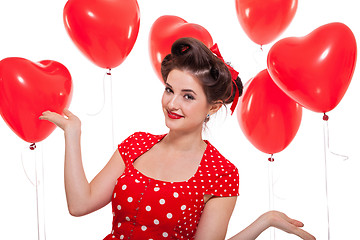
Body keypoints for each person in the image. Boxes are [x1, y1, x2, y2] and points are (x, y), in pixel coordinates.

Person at [39, 37, 315, 240]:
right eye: (170, 90)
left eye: (188, 96)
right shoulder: (136, 144)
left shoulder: (221, 173)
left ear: (214, 106)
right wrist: (72, 135)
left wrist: (263, 221)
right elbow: (79, 204)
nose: (172, 103)